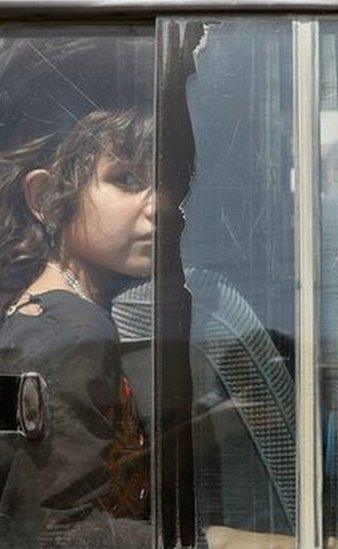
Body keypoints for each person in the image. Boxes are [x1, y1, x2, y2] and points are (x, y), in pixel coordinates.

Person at [0, 36, 154, 546]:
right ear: (46, 197)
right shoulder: (73, 334)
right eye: (128, 179)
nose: (158, 205)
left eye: (166, 181)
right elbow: (59, 532)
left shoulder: (42, 313)